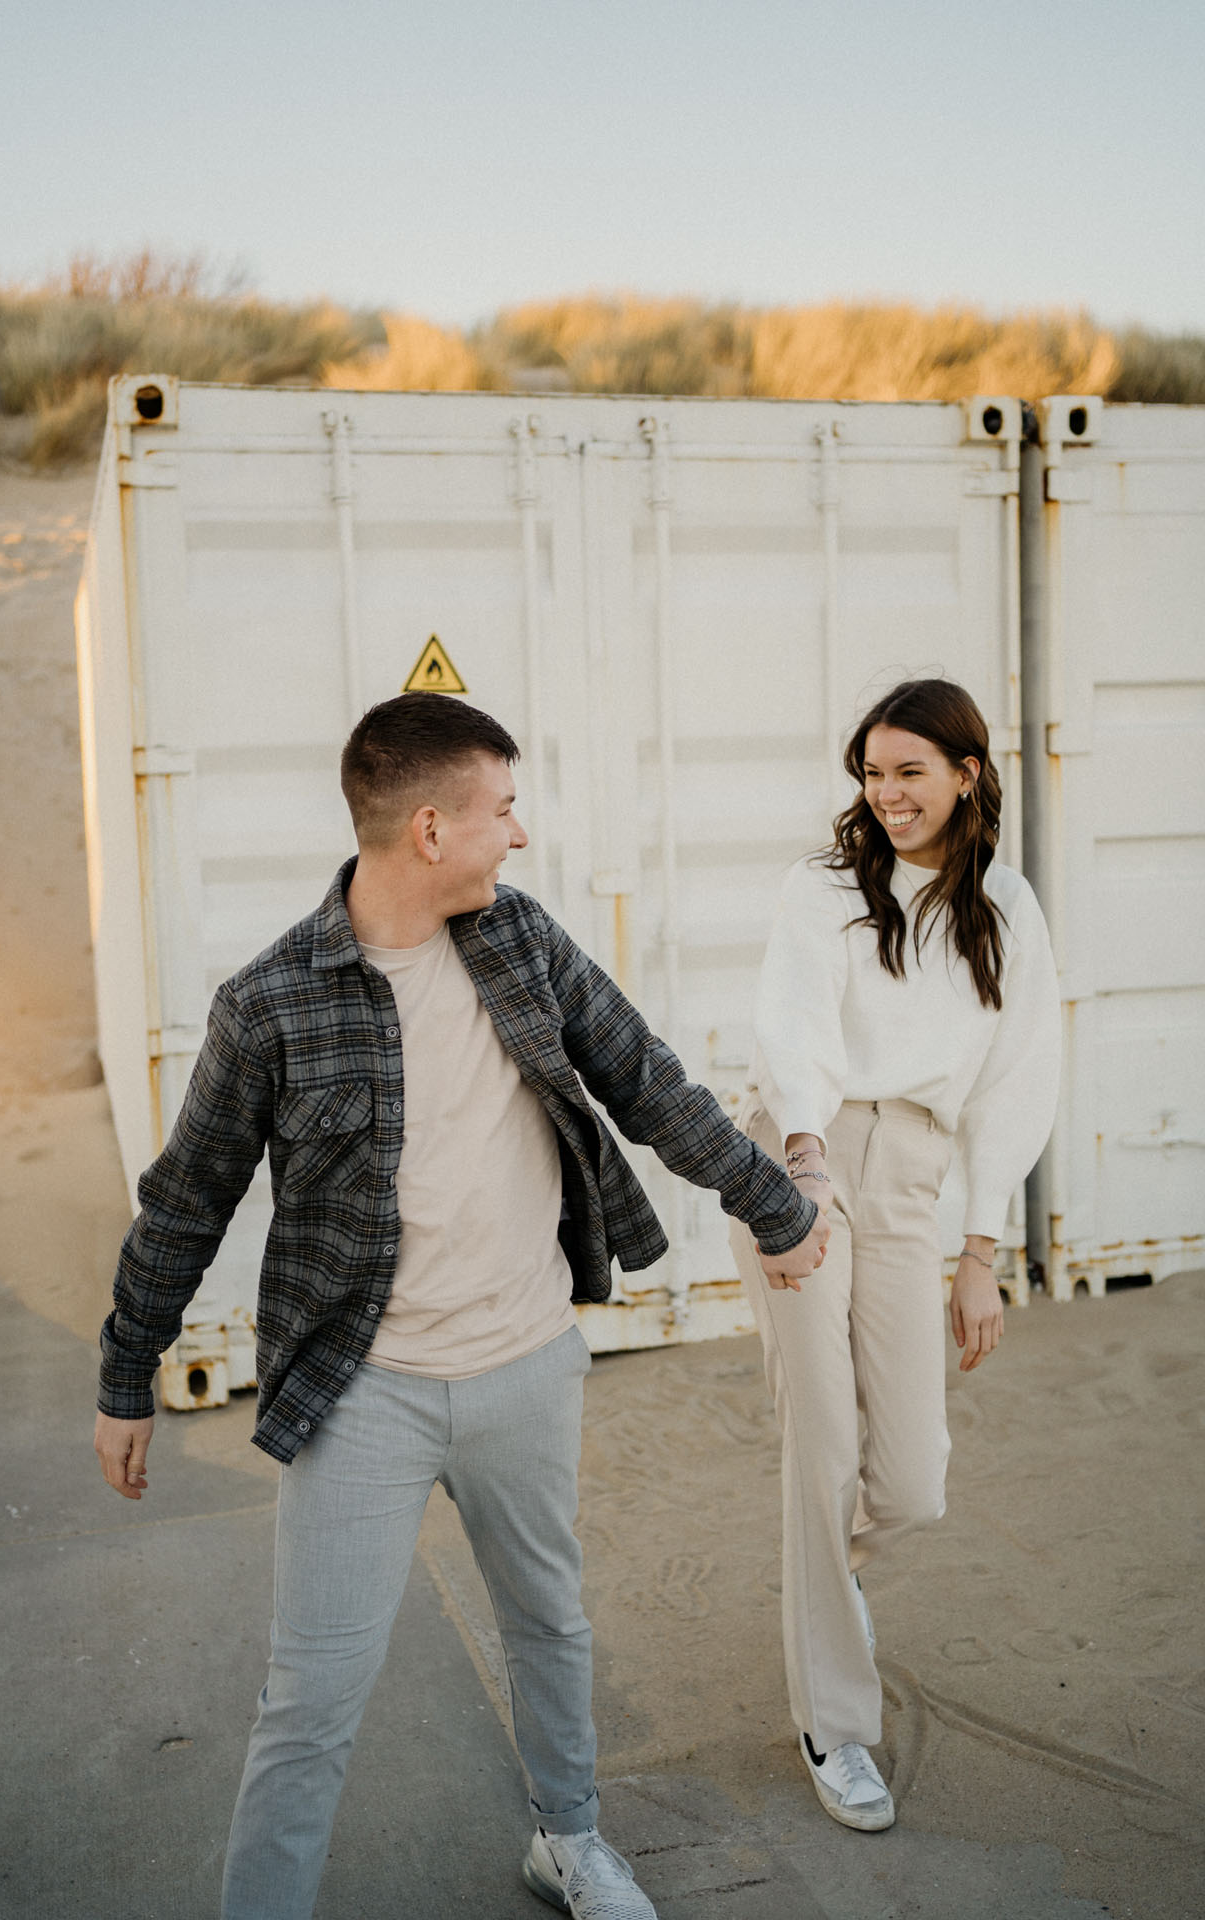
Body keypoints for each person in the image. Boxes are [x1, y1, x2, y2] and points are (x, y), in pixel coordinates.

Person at [94, 692, 828, 1920]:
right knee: (311, 1698)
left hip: (527, 1368)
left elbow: (648, 1083)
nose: (518, 836)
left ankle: (569, 1838)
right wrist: (128, 1376)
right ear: (429, 829)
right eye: (502, 811)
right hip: (357, 1396)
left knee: (548, 1622)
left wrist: (774, 1206)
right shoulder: (269, 1004)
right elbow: (185, 1201)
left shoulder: (521, 944)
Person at [729, 677, 1060, 1834]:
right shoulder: (822, 888)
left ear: (966, 772)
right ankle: (836, 1722)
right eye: (870, 775)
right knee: (821, 1443)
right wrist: (803, 1172)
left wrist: (981, 1250)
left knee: (909, 1477)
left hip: (915, 1176)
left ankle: (830, 1577)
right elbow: (793, 1026)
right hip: (801, 1162)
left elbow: (1019, 1082)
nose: (885, 795)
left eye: (908, 772)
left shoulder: (1005, 908)